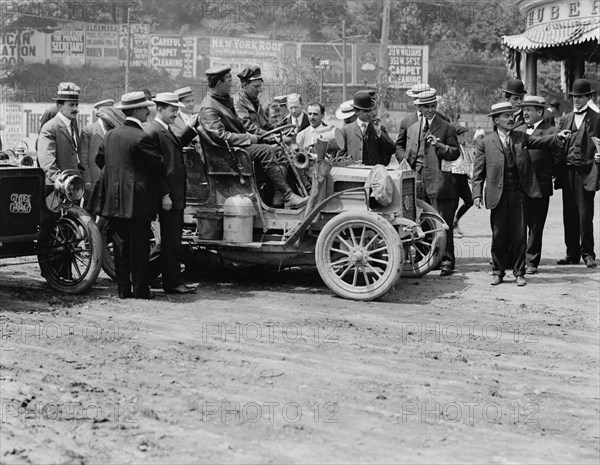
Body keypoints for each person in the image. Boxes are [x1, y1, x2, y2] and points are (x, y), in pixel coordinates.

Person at [472, 102, 570, 286]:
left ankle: (519, 272)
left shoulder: (521, 137)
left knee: (519, 235)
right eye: (506, 116)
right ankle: (498, 271)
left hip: (519, 194)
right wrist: (476, 194)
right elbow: (478, 172)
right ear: (496, 120)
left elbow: (542, 142)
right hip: (498, 196)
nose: (512, 119)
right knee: (499, 235)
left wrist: (558, 137)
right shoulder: (486, 142)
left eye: (512, 115)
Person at [198, 67, 307, 209]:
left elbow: (248, 126)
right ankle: (287, 195)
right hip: (227, 154)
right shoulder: (209, 107)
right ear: (219, 83)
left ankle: (284, 196)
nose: (232, 85)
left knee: (282, 149)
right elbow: (221, 136)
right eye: (229, 81)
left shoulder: (224, 101)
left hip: (236, 148)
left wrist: (271, 135)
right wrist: (250, 138)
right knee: (266, 150)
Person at [96, 92, 167, 299]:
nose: (148, 111)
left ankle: (123, 290)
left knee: (120, 247)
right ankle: (141, 290)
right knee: (140, 247)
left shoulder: (110, 135)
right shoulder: (141, 137)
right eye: (145, 108)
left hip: (114, 200)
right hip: (138, 201)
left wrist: (117, 176)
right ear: (136, 110)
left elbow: (100, 160)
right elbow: (158, 166)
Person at [146, 92, 200, 294]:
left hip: (174, 195)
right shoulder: (154, 132)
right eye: (172, 109)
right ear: (159, 109)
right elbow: (155, 169)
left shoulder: (164, 130)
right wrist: (164, 195)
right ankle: (168, 282)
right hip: (168, 196)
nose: (176, 113)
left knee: (172, 241)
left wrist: (192, 128)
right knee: (169, 242)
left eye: (177, 109)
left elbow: (177, 144)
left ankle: (157, 278)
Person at [405, 89, 459, 276]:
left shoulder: (446, 128)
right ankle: (428, 259)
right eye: (426, 106)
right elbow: (408, 156)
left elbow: (455, 153)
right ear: (419, 107)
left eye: (433, 106)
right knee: (422, 223)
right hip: (419, 182)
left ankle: (447, 261)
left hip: (440, 182)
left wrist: (440, 146)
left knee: (443, 222)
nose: (430, 110)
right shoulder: (413, 129)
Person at [555, 79, 600, 268]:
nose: (577, 100)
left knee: (584, 215)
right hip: (568, 173)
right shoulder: (565, 119)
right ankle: (571, 253)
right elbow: (557, 146)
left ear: (588, 97)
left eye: (580, 97)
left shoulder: (597, 119)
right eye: (574, 97)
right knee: (569, 214)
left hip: (587, 172)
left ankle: (588, 254)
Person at [514, 96, 559, 274]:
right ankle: (516, 259)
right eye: (524, 109)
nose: (525, 112)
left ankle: (532, 261)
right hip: (519, 185)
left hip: (540, 185)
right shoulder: (518, 130)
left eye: (529, 109)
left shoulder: (552, 131)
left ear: (540, 112)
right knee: (519, 223)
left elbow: (557, 159)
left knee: (535, 224)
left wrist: (547, 175)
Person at [37, 82, 89, 187]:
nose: (75, 109)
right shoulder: (49, 128)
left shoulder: (73, 123)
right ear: (60, 106)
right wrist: (61, 180)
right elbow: (47, 161)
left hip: (74, 187)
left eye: (76, 105)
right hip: (57, 189)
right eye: (71, 105)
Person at [79, 105, 125, 203]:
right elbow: (83, 158)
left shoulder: (113, 132)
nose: (112, 125)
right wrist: (87, 180)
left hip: (109, 181)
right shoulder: (88, 130)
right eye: (110, 123)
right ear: (104, 119)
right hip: (92, 180)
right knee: (90, 212)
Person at [336, 90, 395, 166]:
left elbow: (392, 149)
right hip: (354, 175)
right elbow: (340, 157)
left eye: (370, 110)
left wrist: (380, 134)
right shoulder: (345, 131)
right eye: (365, 111)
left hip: (375, 174)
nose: (369, 114)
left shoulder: (380, 128)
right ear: (356, 112)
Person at [395, 83, 448, 161]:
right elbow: (399, 146)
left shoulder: (442, 120)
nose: (417, 102)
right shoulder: (406, 122)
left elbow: (449, 145)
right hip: (413, 168)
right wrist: (404, 160)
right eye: (415, 98)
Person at [441, 125, 473, 238]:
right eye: (462, 135)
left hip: (462, 177)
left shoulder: (462, 147)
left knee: (470, 201)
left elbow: (464, 162)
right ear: (456, 136)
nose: (464, 137)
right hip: (453, 176)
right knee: (453, 204)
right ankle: (451, 229)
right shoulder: (450, 148)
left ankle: (455, 221)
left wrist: (468, 173)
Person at [234, 66, 271, 135]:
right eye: (256, 86)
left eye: (260, 86)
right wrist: (270, 136)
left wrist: (278, 126)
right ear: (245, 85)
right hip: (249, 141)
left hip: (262, 138)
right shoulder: (238, 102)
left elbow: (265, 124)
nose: (260, 90)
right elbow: (248, 127)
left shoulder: (254, 100)